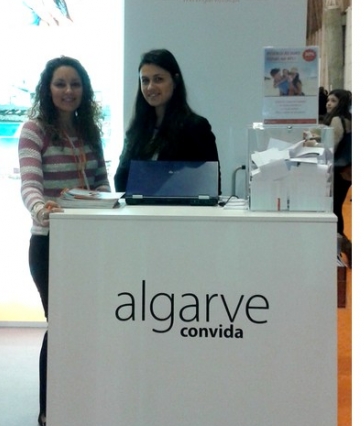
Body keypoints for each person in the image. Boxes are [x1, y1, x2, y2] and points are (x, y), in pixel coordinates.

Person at [17, 56, 111, 426]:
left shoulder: (89, 132)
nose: (68, 91)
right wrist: (41, 208)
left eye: (75, 84)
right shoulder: (34, 130)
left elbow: (101, 183)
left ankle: (82, 403)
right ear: (48, 88)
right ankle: (49, 411)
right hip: (50, 245)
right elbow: (30, 184)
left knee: (88, 326)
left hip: (90, 245)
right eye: (60, 84)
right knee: (61, 327)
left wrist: (108, 202)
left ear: (84, 90)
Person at [114, 49, 221, 193]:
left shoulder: (195, 128)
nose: (150, 87)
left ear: (175, 81)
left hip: (180, 207)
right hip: (137, 207)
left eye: (158, 79)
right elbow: (120, 179)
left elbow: (210, 183)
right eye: (145, 81)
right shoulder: (136, 130)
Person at [323, 88, 352, 239]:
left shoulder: (336, 120)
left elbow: (330, 146)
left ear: (342, 103)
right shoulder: (349, 119)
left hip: (337, 169)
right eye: (328, 100)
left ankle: (337, 240)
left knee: (333, 207)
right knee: (338, 205)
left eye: (333, 101)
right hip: (347, 170)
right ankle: (340, 240)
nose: (328, 104)